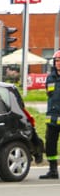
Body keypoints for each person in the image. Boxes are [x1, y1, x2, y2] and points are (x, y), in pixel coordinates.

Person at [40, 50, 60, 179]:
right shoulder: (50, 78)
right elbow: (49, 95)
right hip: (52, 119)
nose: (58, 64)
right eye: (57, 61)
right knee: (50, 145)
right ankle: (53, 170)